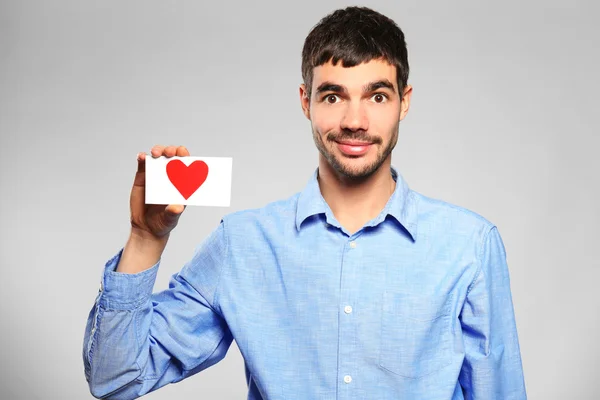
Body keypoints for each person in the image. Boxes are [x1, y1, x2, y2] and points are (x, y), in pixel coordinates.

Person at [83, 6, 527, 399]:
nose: (355, 121)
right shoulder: (243, 245)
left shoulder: (469, 245)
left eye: (377, 95)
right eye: (333, 96)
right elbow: (115, 378)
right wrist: (145, 238)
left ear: (403, 103)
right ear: (305, 101)